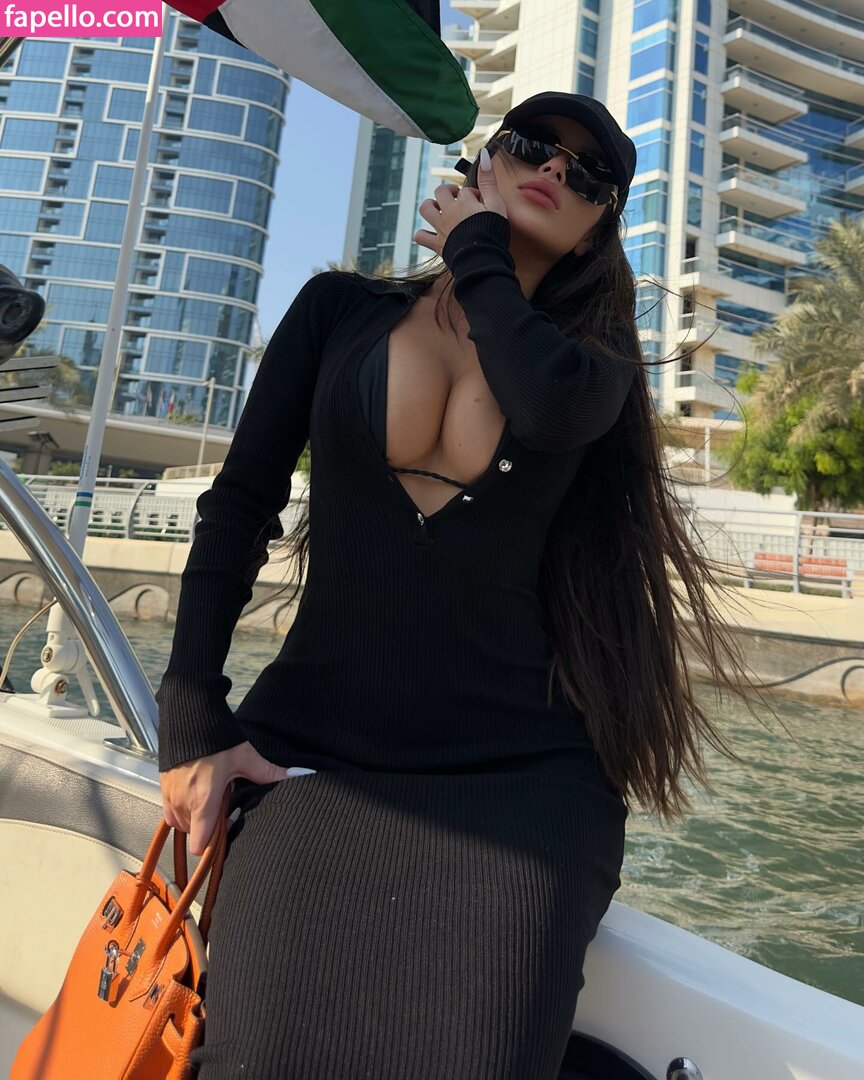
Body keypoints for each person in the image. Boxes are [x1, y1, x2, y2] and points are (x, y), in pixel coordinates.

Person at [157, 92, 761, 1079]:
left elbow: (543, 406)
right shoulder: (337, 311)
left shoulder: (592, 367)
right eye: (533, 145)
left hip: (520, 779)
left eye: (587, 175)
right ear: (484, 161)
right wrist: (189, 712)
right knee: (257, 1056)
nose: (555, 170)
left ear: (597, 229)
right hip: (313, 750)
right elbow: (239, 506)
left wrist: (478, 250)